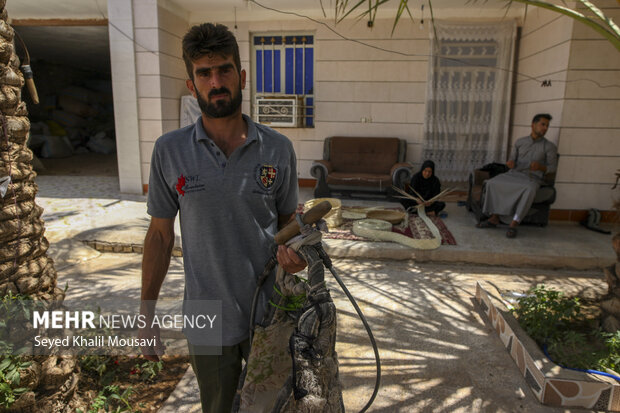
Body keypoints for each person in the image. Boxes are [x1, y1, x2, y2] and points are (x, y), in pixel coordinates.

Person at [138, 23, 306, 413]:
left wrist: (298, 258)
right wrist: (146, 316)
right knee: (216, 407)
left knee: (273, 406)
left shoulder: (278, 149)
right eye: (204, 73)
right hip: (205, 314)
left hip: (270, 310)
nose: (216, 82)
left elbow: (288, 227)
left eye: (225, 70)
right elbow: (160, 237)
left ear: (241, 76)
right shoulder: (169, 151)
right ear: (191, 82)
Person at [476, 113, 558, 238]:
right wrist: (511, 163)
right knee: (492, 183)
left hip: (532, 178)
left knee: (529, 189)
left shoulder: (549, 146)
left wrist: (541, 167)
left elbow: (553, 168)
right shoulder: (520, 142)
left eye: (547, 126)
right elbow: (511, 160)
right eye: (543, 124)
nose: (545, 128)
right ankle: (494, 217)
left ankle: (514, 223)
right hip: (514, 174)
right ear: (533, 125)